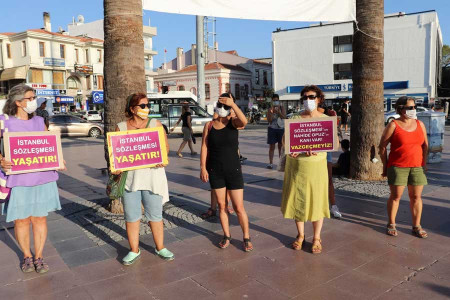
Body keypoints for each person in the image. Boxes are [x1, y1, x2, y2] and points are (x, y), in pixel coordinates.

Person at [0, 84, 64, 274]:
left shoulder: (39, 121)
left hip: (42, 178)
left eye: (34, 97)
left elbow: (48, 145)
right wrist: (1, 160)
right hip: (19, 180)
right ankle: (27, 256)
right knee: (21, 220)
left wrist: (59, 158)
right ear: (18, 102)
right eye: (30, 98)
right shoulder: (4, 122)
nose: (33, 101)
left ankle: (39, 256)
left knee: (39, 219)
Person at [113, 93, 174, 265]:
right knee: (131, 216)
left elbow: (165, 147)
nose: (147, 109)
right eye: (143, 106)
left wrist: (162, 158)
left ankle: (160, 247)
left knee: (155, 215)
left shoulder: (156, 124)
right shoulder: (121, 127)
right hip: (130, 179)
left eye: (148, 105)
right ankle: (134, 250)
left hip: (153, 178)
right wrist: (116, 166)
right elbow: (116, 153)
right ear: (132, 109)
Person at [281, 85, 331, 254]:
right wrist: (291, 149)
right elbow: (284, 141)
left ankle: (316, 237)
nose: (308, 101)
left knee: (317, 201)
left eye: (311, 97)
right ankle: (301, 235)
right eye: (305, 98)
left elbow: (333, 144)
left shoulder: (325, 119)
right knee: (298, 200)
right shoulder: (294, 118)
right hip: (297, 167)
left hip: (317, 167)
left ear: (319, 99)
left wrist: (319, 148)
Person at [200, 93, 253, 251]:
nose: (222, 108)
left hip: (233, 170)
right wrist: (203, 167)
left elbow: (244, 121)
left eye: (226, 106)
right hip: (215, 170)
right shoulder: (209, 125)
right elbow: (204, 146)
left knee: (238, 207)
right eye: (220, 105)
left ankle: (246, 237)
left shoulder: (233, 122)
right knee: (222, 205)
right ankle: (227, 235)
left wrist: (234, 105)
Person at [379, 96, 429, 238]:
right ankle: (391, 223)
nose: (414, 110)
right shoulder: (393, 125)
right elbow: (382, 147)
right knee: (396, 196)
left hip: (417, 166)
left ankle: (416, 226)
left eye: (414, 107)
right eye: (410, 107)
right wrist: (385, 166)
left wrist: (423, 164)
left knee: (416, 196)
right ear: (401, 109)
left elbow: (425, 146)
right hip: (397, 166)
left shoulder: (420, 124)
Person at [267, 94, 286, 169]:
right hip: (272, 129)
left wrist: (278, 112)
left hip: (281, 129)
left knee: (280, 146)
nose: (275, 102)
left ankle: (280, 163)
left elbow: (284, 117)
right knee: (272, 146)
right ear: (272, 101)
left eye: (276, 100)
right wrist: (271, 113)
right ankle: (270, 163)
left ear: (279, 100)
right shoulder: (270, 109)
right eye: (274, 100)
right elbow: (269, 120)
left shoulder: (282, 108)